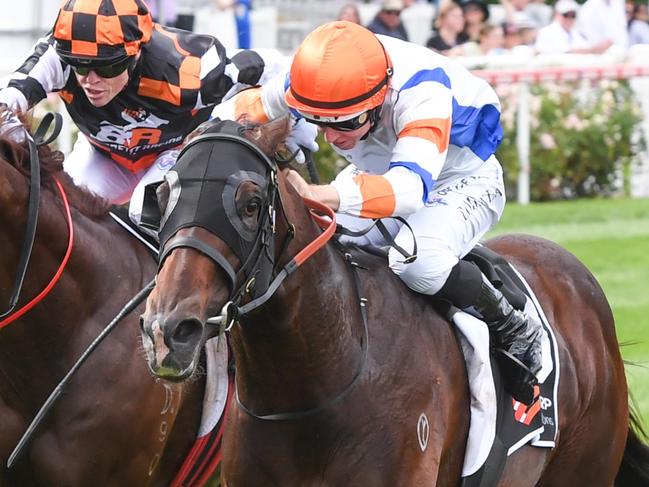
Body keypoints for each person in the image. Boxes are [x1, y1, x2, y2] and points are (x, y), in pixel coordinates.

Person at [242, 21, 543, 405]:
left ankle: (512, 325)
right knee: (308, 240)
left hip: (461, 179)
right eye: (320, 122)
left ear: (380, 97)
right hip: (381, 173)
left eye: (347, 122)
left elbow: (408, 191)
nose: (332, 137)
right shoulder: (313, 78)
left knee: (417, 260)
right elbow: (243, 111)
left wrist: (318, 194)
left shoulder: (422, 91)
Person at [0, 0, 314, 228]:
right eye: (80, 65)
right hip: (105, 155)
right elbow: (7, 101)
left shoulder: (191, 69)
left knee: (143, 211)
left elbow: (278, 66)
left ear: (136, 52)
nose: (89, 80)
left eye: (106, 66)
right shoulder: (59, 53)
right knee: (62, 216)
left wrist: (296, 123)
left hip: (173, 152)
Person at [535, 0, 613, 54]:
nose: (569, 18)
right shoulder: (546, 32)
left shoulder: (575, 33)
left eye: (573, 15)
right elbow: (540, 50)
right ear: (557, 14)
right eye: (566, 15)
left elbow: (586, 48)